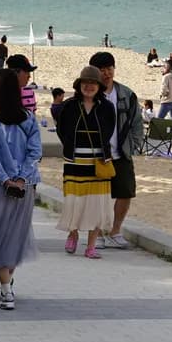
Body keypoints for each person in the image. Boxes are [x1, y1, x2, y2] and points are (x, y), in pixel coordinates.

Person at [0, 69, 41, 310]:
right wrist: (22, 178)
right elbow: (35, 152)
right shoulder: (29, 118)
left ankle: (6, 290)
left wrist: (6, 180)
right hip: (26, 186)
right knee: (15, 234)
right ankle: (8, 283)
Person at [54, 66, 116, 257]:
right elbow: (61, 130)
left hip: (98, 161)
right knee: (74, 201)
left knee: (97, 204)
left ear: (98, 86)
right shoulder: (69, 106)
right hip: (75, 161)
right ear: (79, 85)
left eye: (93, 83)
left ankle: (91, 246)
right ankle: (72, 234)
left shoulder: (106, 107)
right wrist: (70, 146)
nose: (88, 87)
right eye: (85, 83)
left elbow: (110, 129)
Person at [91, 50, 144, 248]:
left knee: (125, 192)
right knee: (97, 196)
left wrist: (133, 145)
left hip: (121, 152)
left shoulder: (126, 94)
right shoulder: (90, 94)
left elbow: (136, 122)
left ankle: (115, 230)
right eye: (102, 70)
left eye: (109, 68)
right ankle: (96, 233)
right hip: (97, 154)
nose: (106, 73)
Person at [5, 54, 39, 120]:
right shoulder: (1, 92)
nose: (29, 76)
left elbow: (33, 117)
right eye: (26, 72)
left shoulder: (29, 92)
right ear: (15, 72)